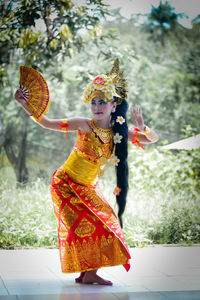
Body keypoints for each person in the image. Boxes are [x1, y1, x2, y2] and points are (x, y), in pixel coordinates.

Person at [15, 59, 159, 285]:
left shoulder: (119, 131)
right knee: (84, 225)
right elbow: (47, 122)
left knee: (106, 222)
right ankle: (89, 273)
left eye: (103, 102)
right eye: (93, 102)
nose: (97, 107)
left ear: (114, 105)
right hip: (64, 184)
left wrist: (143, 128)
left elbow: (152, 140)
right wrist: (26, 104)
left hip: (87, 187)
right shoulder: (83, 124)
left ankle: (87, 274)